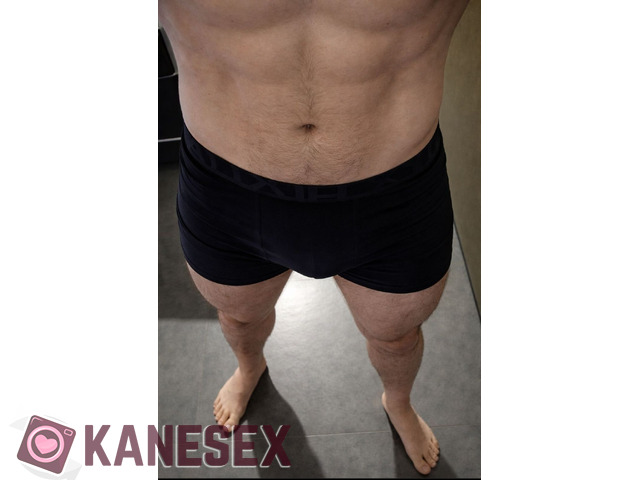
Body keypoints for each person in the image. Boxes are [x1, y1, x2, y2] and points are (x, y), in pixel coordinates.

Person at [159, 0, 469, 475]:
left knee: (397, 338)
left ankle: (398, 401)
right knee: (239, 316)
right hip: (227, 188)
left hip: (395, 190)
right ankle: (250, 368)